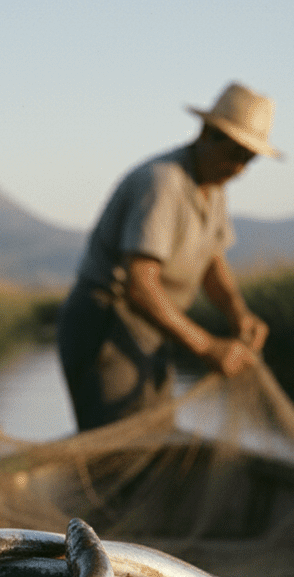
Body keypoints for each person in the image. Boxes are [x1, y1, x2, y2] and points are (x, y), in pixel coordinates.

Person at [57, 82, 280, 431]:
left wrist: (238, 313)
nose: (239, 167)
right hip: (107, 322)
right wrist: (208, 347)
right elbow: (141, 287)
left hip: (151, 326)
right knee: (122, 445)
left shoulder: (214, 188)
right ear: (207, 133)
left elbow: (212, 262)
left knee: (156, 434)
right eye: (235, 152)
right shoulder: (162, 183)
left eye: (249, 158)